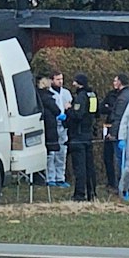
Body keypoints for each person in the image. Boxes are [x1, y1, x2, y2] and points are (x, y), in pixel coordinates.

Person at [64, 73, 98, 201]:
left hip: (78, 136)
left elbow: (77, 115)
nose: (73, 84)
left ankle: (79, 194)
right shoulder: (92, 96)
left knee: (80, 168)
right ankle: (92, 193)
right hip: (88, 135)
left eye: (75, 82)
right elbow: (95, 113)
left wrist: (68, 109)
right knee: (90, 166)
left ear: (79, 83)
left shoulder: (80, 97)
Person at [101, 74, 129, 194]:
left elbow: (117, 117)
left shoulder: (122, 98)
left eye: (115, 80)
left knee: (121, 160)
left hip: (120, 133)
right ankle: (126, 186)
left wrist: (113, 133)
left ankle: (122, 187)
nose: (114, 83)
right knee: (127, 160)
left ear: (120, 82)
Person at [34, 74, 63, 192]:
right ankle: (50, 177)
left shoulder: (36, 96)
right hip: (50, 128)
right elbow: (56, 110)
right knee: (51, 153)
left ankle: (46, 177)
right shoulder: (47, 97)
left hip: (43, 127)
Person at [49, 71, 72, 188]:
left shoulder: (66, 93)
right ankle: (50, 177)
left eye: (61, 79)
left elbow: (69, 105)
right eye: (58, 79)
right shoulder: (49, 93)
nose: (60, 81)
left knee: (62, 152)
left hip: (63, 125)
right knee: (51, 152)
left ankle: (60, 178)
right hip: (52, 125)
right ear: (52, 80)